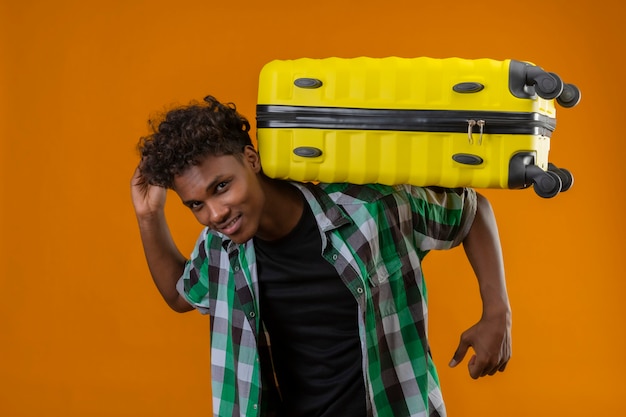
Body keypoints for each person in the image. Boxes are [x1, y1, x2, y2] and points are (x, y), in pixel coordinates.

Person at [130, 95, 512, 417]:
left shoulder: (369, 211)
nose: (215, 214)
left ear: (251, 158)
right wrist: (148, 216)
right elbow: (181, 294)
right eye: (196, 204)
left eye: (222, 186)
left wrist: (497, 312)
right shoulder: (221, 249)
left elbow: (471, 209)